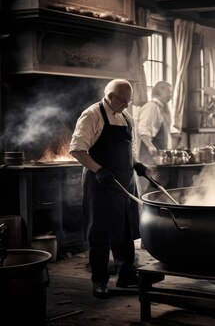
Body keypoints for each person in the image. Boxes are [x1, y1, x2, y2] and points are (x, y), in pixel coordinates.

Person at [69, 79, 148, 299]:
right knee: (101, 234)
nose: (126, 105)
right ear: (110, 96)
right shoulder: (92, 114)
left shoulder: (126, 117)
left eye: (128, 101)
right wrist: (98, 169)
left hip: (125, 181)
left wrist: (136, 164)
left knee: (125, 230)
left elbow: (129, 148)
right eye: (122, 100)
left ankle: (126, 276)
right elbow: (76, 149)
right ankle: (99, 282)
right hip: (101, 184)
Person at [137, 81, 173, 164]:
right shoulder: (151, 107)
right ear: (159, 91)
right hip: (150, 159)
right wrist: (150, 146)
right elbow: (143, 130)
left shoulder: (160, 108)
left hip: (158, 159)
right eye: (169, 92)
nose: (170, 96)